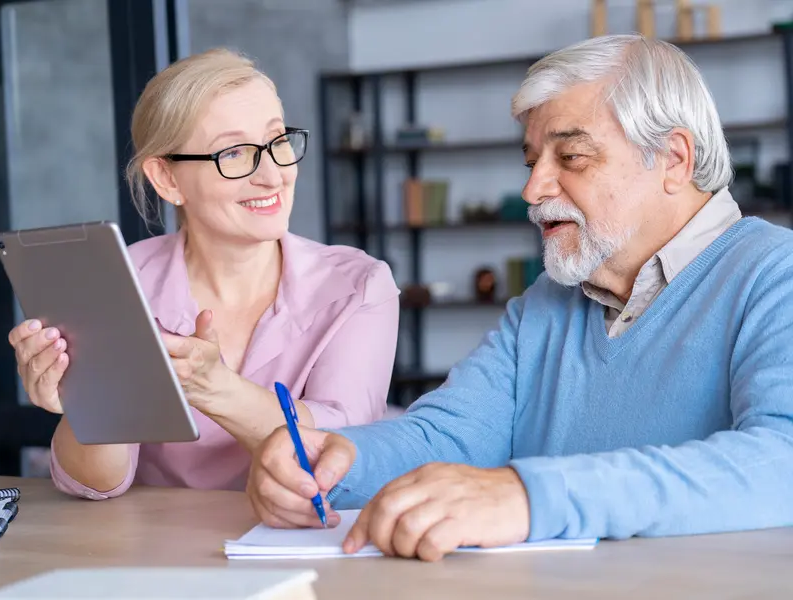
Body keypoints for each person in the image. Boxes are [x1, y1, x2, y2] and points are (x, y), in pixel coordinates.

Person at [247, 33, 793, 560]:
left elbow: (780, 463)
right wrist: (342, 460)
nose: (534, 190)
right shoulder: (548, 302)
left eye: (571, 157)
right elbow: (451, 436)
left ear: (673, 159)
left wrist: (528, 496)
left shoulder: (775, 275)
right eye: (533, 163)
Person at [7, 48, 400, 500]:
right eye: (233, 153)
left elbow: (341, 461)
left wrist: (217, 390)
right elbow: (97, 485)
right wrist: (87, 407)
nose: (273, 175)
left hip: (305, 547)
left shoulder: (358, 286)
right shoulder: (122, 282)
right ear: (167, 180)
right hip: (154, 556)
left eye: (277, 141)